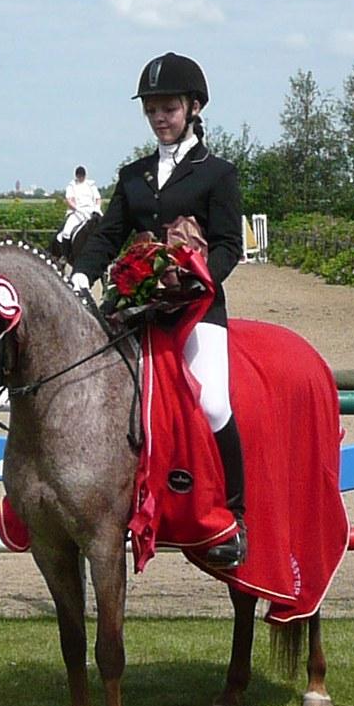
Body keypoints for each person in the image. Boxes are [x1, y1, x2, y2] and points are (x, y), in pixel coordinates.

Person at [71, 52, 247, 568]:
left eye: (167, 107)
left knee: (212, 402)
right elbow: (108, 234)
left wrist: (193, 278)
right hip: (140, 309)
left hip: (197, 309)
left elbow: (227, 245)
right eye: (151, 109)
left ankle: (237, 516)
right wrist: (83, 273)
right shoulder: (134, 175)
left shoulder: (217, 173)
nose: (159, 117)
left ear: (193, 108)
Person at [56, 165, 102, 248]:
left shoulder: (91, 185)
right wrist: (78, 209)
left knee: (105, 228)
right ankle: (65, 255)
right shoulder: (72, 185)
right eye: (79, 176)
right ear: (76, 176)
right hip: (77, 212)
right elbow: (69, 200)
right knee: (66, 232)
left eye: (83, 176)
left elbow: (98, 198)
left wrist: (97, 208)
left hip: (92, 211)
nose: (81, 178)